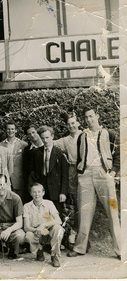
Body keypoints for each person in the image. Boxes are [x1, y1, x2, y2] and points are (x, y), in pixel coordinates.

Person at [67, 107, 121, 259]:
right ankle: (80, 247)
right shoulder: (82, 136)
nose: (89, 119)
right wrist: (81, 172)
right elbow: (80, 157)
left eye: (91, 116)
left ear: (97, 116)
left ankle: (120, 250)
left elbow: (118, 155)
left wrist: (113, 172)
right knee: (84, 212)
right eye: (86, 117)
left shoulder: (109, 133)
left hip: (104, 173)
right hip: (86, 176)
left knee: (112, 212)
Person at [54, 113, 82, 246]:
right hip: (72, 172)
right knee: (73, 205)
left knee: (85, 204)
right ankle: (71, 236)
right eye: (69, 124)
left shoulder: (86, 136)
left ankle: (82, 237)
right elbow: (49, 142)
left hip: (86, 171)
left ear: (78, 123)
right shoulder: (65, 140)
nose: (71, 126)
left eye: (73, 123)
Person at [28, 126, 68, 215]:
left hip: (56, 191)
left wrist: (63, 192)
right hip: (42, 191)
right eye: (42, 138)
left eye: (47, 137)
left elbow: (65, 175)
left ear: (52, 137)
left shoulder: (60, 153)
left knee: (56, 215)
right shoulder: (36, 153)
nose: (45, 140)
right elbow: (32, 173)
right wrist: (32, 188)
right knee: (43, 215)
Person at [23, 182, 63, 267]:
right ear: (30, 193)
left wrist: (43, 225)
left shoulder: (49, 204)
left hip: (48, 232)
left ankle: (54, 255)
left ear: (43, 193)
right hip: (36, 234)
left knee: (58, 229)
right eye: (34, 192)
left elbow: (59, 220)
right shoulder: (26, 206)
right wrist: (38, 230)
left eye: (39, 192)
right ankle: (39, 250)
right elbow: (26, 227)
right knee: (28, 235)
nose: (37, 194)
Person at [0, 121, 28, 201]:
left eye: (12, 129)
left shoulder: (23, 145)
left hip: (19, 179)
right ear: (5, 130)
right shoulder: (1, 145)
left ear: (16, 130)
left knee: (19, 201)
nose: (10, 131)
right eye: (8, 129)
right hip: (6, 178)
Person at [22, 125, 44, 203]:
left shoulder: (47, 147)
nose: (32, 135)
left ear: (38, 133)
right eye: (29, 134)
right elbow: (25, 170)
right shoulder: (27, 150)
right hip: (32, 183)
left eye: (33, 132)